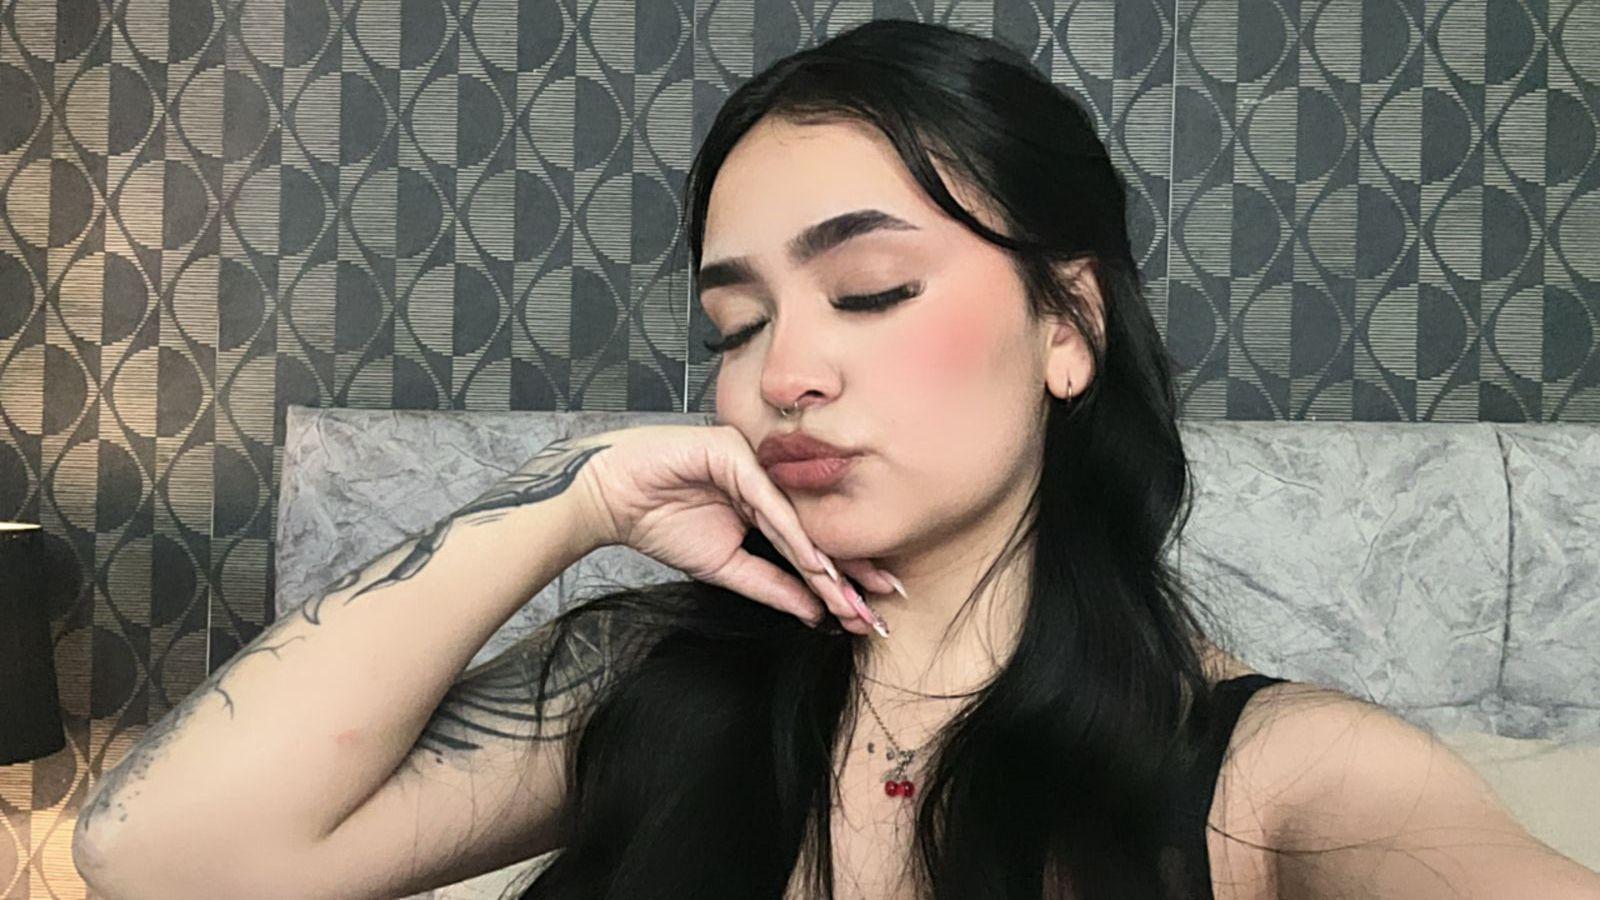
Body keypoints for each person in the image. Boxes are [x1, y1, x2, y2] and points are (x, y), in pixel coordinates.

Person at [72, 18, 1600, 900]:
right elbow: (161, 860)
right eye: (735, 324)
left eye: (869, 290)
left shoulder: (1282, 777)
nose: (781, 373)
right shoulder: (644, 683)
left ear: (1068, 327)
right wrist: (574, 493)